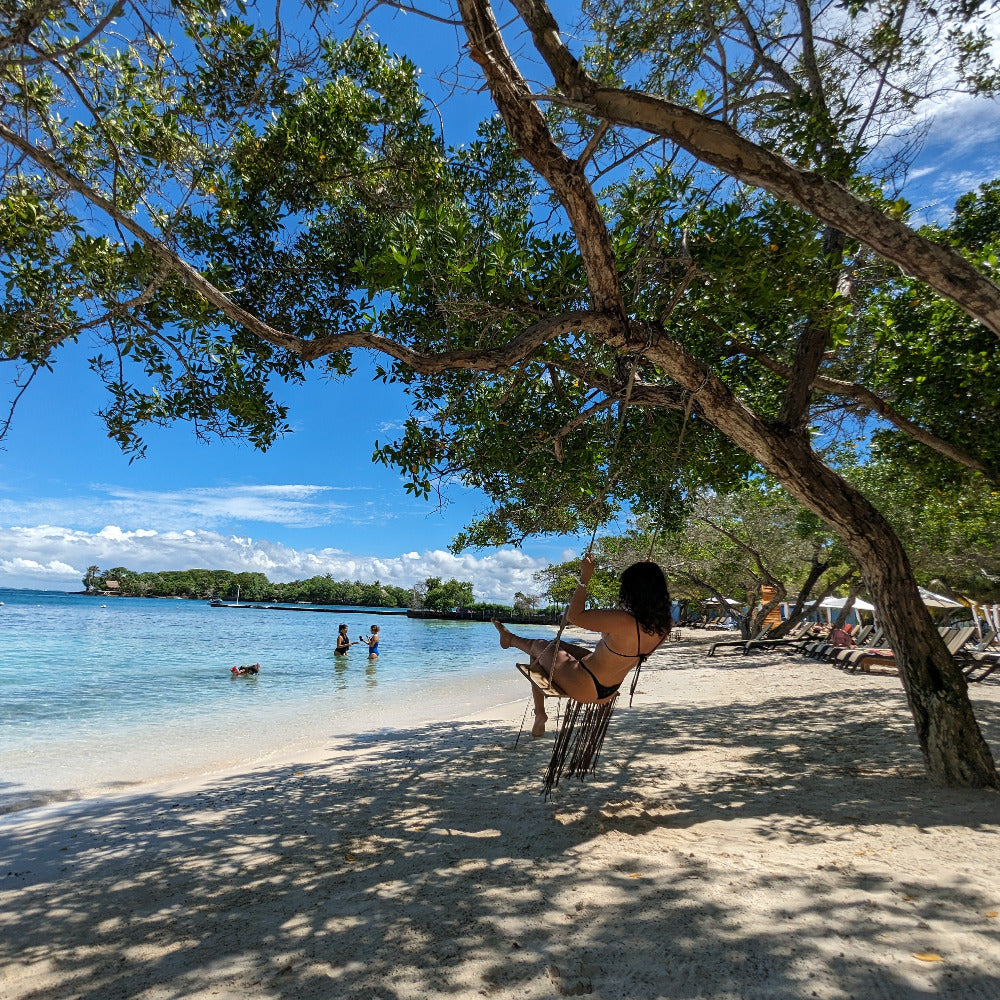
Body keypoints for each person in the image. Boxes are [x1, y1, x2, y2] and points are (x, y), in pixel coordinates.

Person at [493, 553, 671, 738]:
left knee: (539, 645)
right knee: (552, 647)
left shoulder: (623, 621)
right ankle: (540, 713)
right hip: (608, 689)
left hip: (586, 685)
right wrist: (648, 572)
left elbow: (574, 616)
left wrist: (585, 578)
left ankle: (510, 640)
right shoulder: (663, 627)